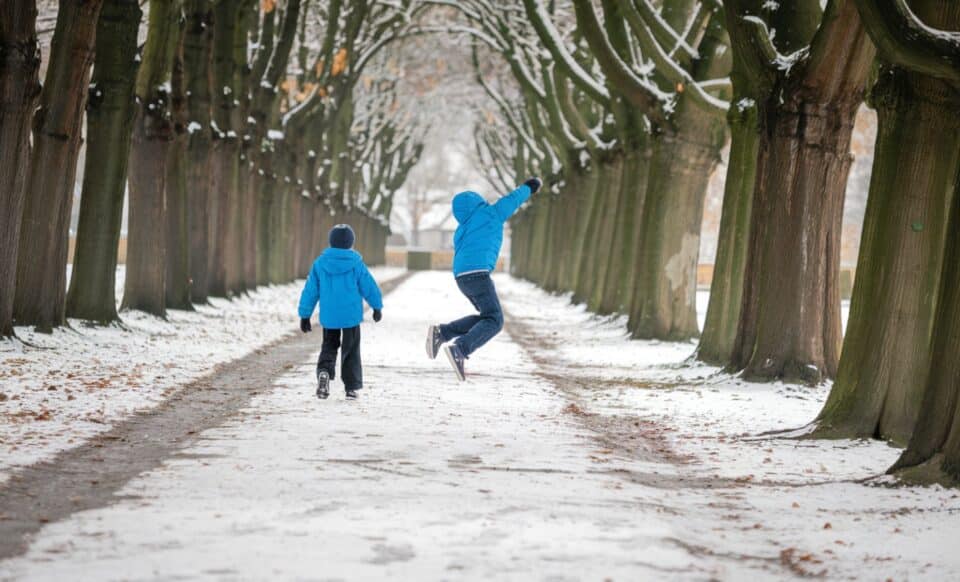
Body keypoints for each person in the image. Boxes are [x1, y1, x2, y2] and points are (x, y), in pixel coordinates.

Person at [425, 178, 542, 380]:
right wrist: (530, 187)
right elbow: (512, 200)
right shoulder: (491, 213)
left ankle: (442, 333)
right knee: (495, 321)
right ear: (479, 201)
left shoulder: (462, 228)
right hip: (478, 274)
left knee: (487, 317)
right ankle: (460, 349)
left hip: (461, 277)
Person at [298, 224, 383, 400]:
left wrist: (305, 315)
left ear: (331, 241)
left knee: (329, 346)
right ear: (351, 243)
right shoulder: (356, 263)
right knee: (351, 349)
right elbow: (369, 286)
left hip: (329, 315)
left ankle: (324, 372)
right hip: (350, 316)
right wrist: (376, 306)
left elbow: (310, 290)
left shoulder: (320, 263)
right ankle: (351, 387)